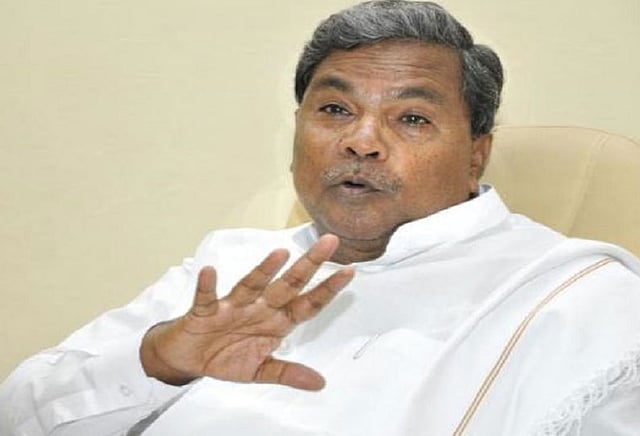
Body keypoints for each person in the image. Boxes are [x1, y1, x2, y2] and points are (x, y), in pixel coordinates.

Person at [1, 1, 639, 435]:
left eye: (411, 118)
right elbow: (18, 415)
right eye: (334, 110)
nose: (360, 141)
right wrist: (158, 361)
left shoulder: (582, 302)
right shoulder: (234, 263)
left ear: (476, 154)